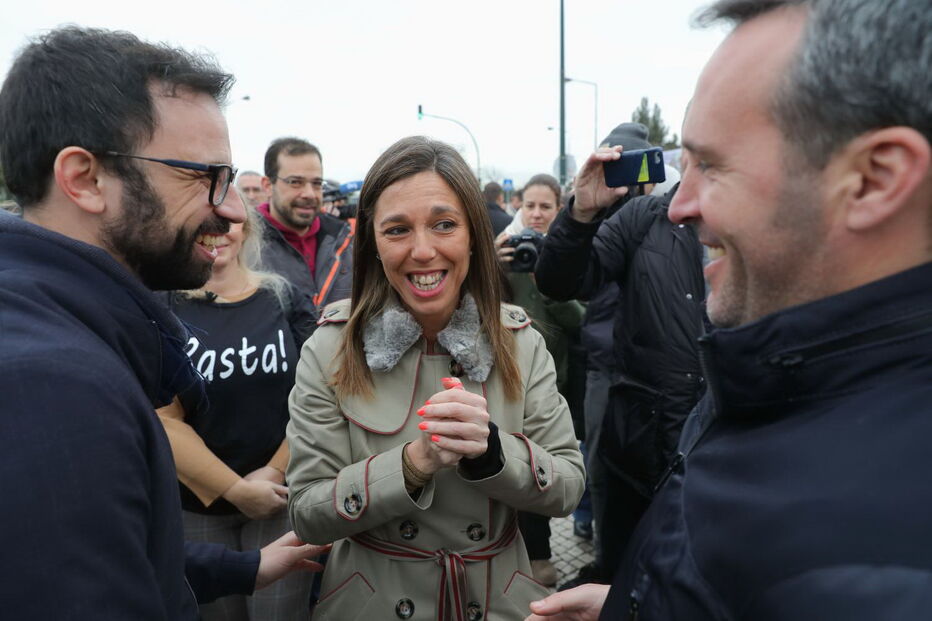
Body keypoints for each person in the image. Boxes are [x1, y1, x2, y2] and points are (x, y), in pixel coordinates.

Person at [528, 0, 932, 619]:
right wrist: (637, 603)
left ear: (876, 178)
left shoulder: (877, 569)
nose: (679, 203)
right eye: (681, 165)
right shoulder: (773, 376)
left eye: (712, 165)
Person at [0, 26, 326, 618]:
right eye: (203, 177)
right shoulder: (49, 387)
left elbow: (112, 551)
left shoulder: (59, 333)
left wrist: (242, 569)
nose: (231, 210)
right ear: (86, 179)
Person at [286, 136, 586, 620]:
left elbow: (569, 487)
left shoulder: (521, 343)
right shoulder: (331, 346)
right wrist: (411, 465)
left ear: (473, 233)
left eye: (444, 225)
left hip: (496, 601)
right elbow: (306, 514)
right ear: (373, 243)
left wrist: (493, 453)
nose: (422, 251)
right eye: (397, 230)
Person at [535, 123, 706, 588]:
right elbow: (559, 282)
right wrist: (580, 213)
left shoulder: (766, 223)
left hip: (716, 459)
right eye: (694, 149)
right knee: (622, 570)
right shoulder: (646, 219)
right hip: (639, 443)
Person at [158, 203, 317, 620]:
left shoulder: (283, 299)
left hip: (280, 498)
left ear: (247, 229)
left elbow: (319, 393)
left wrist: (275, 471)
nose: (218, 231)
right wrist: (235, 489)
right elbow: (162, 416)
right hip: (197, 508)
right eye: (202, 222)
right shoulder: (164, 307)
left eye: (228, 221)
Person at [496, 173, 586, 587]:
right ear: (518, 205)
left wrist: (548, 283)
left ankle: (540, 552)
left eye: (544, 206)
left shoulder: (571, 253)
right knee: (505, 458)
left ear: (558, 209)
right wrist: (490, 266)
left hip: (557, 379)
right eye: (528, 205)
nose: (535, 214)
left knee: (539, 465)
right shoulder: (504, 248)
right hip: (505, 377)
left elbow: (581, 322)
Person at [257, 137, 354, 310]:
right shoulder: (242, 245)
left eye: (316, 183)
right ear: (268, 185)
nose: (309, 193)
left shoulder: (347, 240)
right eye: (295, 182)